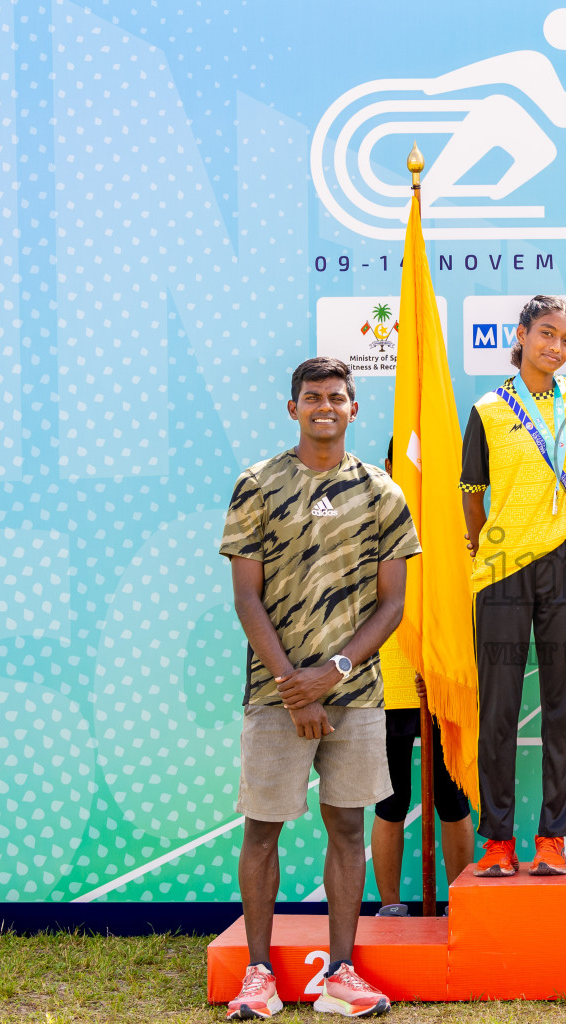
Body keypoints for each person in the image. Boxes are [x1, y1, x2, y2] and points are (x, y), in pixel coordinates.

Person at [220, 357, 421, 1019]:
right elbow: (247, 598)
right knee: (262, 831)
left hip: (355, 694)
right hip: (274, 690)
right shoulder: (257, 484)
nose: (325, 406)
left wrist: (331, 673)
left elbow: (391, 606)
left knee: (346, 828)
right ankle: (257, 974)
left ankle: (341, 974)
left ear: (354, 408)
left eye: (337, 396)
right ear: (293, 408)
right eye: (312, 397)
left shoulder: (383, 492)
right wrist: (291, 685)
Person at [460, 295, 566, 877]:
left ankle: (552, 839)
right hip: (502, 568)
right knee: (500, 706)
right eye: (546, 334)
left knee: (564, 703)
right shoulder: (489, 408)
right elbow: (470, 489)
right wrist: (486, 540)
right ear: (520, 334)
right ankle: (497, 842)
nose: (555, 348)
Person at [371, 439, 475, 916]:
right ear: (390, 465)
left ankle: (462, 902)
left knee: (453, 800)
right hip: (387, 682)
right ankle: (390, 907)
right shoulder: (370, 518)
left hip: (444, 681)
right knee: (390, 803)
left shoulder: (459, 523)